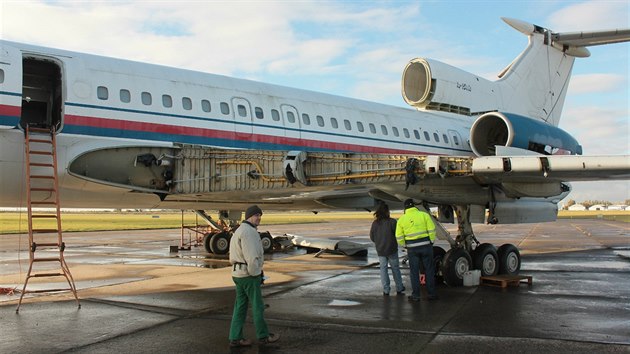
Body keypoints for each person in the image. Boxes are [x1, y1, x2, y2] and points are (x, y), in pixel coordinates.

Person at [228, 205, 280, 347]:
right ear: (249, 217)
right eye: (256, 215)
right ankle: (263, 336)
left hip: (238, 274)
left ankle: (235, 337)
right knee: (258, 307)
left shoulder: (239, 231)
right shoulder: (249, 232)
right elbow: (251, 258)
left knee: (240, 307)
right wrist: (256, 274)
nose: (259, 218)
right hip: (248, 275)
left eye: (260, 215)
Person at [395, 199, 438, 302]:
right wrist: (431, 241)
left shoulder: (402, 219)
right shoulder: (424, 215)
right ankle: (431, 294)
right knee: (429, 270)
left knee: (414, 272)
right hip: (426, 246)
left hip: (412, 248)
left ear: (405, 208)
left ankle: (416, 295)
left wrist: (405, 245)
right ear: (414, 206)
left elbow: (399, 236)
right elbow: (432, 229)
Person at [369, 202, 405, 296]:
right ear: (387, 212)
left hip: (381, 250)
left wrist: (378, 242)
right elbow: (397, 234)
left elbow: (372, 237)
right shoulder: (392, 222)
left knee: (383, 269)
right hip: (392, 249)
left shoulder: (375, 223)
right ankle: (399, 287)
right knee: (395, 269)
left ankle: (386, 290)